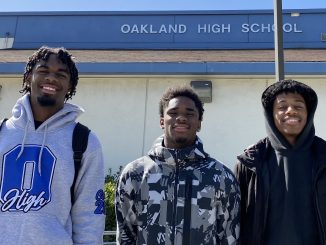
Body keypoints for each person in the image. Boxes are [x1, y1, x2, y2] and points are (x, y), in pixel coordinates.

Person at [0, 46, 105, 245]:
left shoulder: (84, 141)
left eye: (61, 74)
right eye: (43, 71)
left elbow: (89, 217)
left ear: (70, 85)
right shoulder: (2, 133)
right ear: (29, 76)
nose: (51, 78)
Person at [115, 86, 240, 245]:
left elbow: (230, 237)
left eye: (189, 113)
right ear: (162, 121)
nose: (181, 118)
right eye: (173, 113)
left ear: (199, 123)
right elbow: (125, 236)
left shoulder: (221, 177)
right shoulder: (135, 174)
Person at [234, 79, 326, 245]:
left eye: (298, 106)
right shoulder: (250, 163)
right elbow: (235, 221)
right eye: (282, 107)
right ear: (271, 114)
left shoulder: (323, 157)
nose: (290, 111)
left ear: (309, 113)